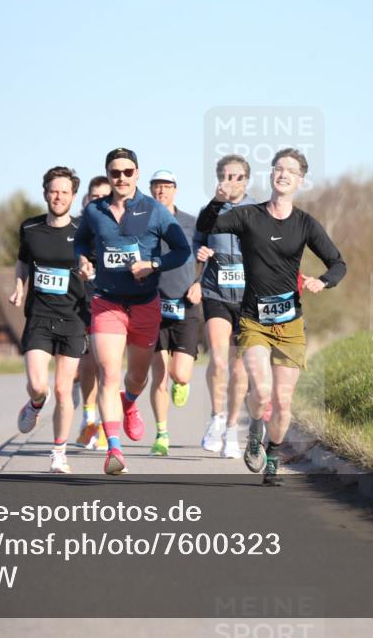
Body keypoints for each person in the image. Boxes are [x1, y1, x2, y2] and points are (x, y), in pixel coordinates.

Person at [196, 148, 346, 485]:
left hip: (290, 325)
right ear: (272, 175)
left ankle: (273, 455)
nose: (283, 174)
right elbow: (207, 226)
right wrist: (217, 201)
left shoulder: (305, 223)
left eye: (290, 171)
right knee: (262, 391)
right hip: (254, 321)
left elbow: (338, 263)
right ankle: (254, 432)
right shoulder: (249, 215)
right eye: (279, 168)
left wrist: (323, 281)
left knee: (282, 401)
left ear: (300, 180)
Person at [74, 148, 191, 475]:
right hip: (107, 302)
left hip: (144, 304)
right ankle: (114, 449)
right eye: (115, 172)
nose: (121, 178)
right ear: (108, 174)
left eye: (128, 172)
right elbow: (80, 242)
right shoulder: (95, 211)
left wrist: (153, 264)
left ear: (137, 173)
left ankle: (128, 402)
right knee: (108, 373)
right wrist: (82, 260)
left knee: (137, 377)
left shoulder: (154, 210)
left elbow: (182, 250)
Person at [11, 166, 88, 474]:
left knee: (62, 390)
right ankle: (35, 404)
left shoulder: (84, 231)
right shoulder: (30, 228)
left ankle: (59, 452)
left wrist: (90, 271)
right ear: (45, 193)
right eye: (54, 191)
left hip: (73, 318)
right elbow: (22, 262)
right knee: (38, 385)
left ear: (73, 196)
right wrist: (20, 286)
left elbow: (94, 266)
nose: (58, 197)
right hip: (39, 316)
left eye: (64, 192)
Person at [194, 155, 258, 458]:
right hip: (216, 292)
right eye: (226, 176)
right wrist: (200, 252)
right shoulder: (210, 211)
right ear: (218, 179)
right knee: (219, 361)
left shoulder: (259, 211)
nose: (231, 182)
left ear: (246, 180)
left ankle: (232, 428)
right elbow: (196, 242)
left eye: (238, 177)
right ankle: (217, 417)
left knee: (239, 368)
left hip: (249, 298)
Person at [146, 170, 202, 456]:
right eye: (157, 186)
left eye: (167, 186)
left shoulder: (191, 223)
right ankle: (162, 434)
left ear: (175, 190)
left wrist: (199, 283)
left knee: (179, 374)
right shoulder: (142, 223)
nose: (162, 191)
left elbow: (209, 257)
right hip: (153, 305)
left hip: (185, 304)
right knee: (159, 376)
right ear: (150, 190)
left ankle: (183, 381)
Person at [75, 175, 113, 451]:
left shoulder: (118, 227)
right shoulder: (77, 228)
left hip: (111, 303)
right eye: (94, 196)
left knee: (107, 367)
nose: (98, 201)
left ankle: (101, 423)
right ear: (86, 199)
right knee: (89, 364)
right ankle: (88, 420)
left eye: (104, 197)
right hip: (81, 304)